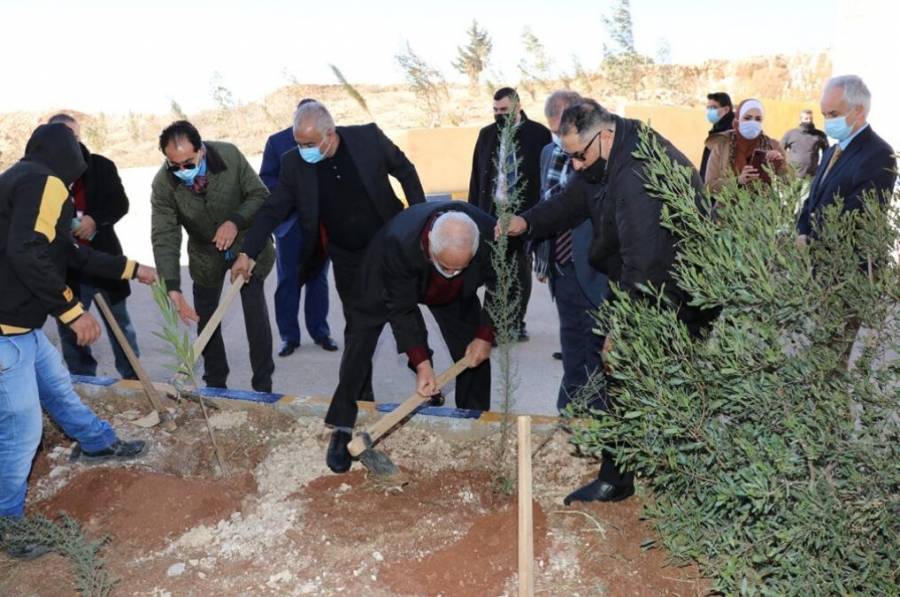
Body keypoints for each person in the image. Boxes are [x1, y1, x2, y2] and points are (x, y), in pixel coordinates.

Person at [505, 100, 717, 502]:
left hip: (679, 290)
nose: (577, 165)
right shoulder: (607, 153)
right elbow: (571, 200)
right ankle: (620, 476)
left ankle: (683, 482)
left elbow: (645, 262)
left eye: (579, 156)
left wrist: (623, 331)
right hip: (652, 277)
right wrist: (527, 222)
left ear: (602, 136)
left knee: (660, 379)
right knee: (626, 382)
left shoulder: (636, 173)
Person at [0, 123, 156, 557]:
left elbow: (68, 253)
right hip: (5, 336)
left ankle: (97, 443)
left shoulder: (20, 179)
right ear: (66, 159)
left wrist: (133, 269)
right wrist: (72, 312)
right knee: (19, 432)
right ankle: (6, 527)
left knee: (58, 389)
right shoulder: (44, 182)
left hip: (20, 330)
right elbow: (26, 250)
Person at [233, 101, 426, 402]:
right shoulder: (294, 163)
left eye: (309, 143)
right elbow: (272, 209)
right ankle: (362, 399)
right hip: (346, 255)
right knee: (358, 327)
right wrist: (248, 251)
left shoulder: (368, 139)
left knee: (404, 313)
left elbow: (405, 170)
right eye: (298, 143)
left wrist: (418, 219)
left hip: (387, 245)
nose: (303, 149)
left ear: (330, 134)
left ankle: (425, 379)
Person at [322, 202, 496, 472]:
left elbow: (508, 283)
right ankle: (342, 424)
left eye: (459, 268)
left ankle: (472, 420)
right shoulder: (397, 242)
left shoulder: (490, 233)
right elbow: (402, 310)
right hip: (388, 279)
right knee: (360, 340)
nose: (451, 273)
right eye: (446, 266)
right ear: (429, 244)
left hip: (452, 294)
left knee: (473, 349)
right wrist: (422, 363)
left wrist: (485, 335)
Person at [150, 120, 275, 392]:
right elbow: (165, 235)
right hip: (205, 254)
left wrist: (234, 220)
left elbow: (260, 195)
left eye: (189, 163)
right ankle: (216, 382)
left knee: (255, 314)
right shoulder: (163, 184)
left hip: (247, 246)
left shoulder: (228, 155)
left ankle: (263, 384)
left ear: (202, 150)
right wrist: (171, 285)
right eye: (176, 165)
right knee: (206, 316)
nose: (183, 170)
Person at [46, 114, 139, 380]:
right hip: (67, 267)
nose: (70, 142)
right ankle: (83, 381)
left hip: (104, 260)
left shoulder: (101, 166)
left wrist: (94, 220)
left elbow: (120, 204)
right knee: (71, 327)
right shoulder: (43, 174)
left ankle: (133, 379)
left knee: (119, 324)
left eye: (73, 136)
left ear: (79, 136)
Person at [533, 90, 609, 413]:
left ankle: (598, 412)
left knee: (596, 343)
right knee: (571, 340)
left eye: (561, 127)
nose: (557, 137)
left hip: (592, 265)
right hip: (562, 264)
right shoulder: (549, 153)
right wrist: (542, 255)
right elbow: (546, 203)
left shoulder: (599, 154)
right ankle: (571, 408)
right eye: (552, 130)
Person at [468, 87, 551, 341]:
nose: (498, 114)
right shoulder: (486, 135)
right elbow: (476, 175)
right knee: (494, 269)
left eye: (503, 110)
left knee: (519, 269)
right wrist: (473, 212)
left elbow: (546, 176)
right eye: (495, 110)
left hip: (524, 212)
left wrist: (539, 216)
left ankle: (515, 323)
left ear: (517, 106)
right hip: (492, 210)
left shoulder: (538, 134)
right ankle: (492, 325)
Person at [260, 99, 338, 357]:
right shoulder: (277, 142)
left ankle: (320, 332)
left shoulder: (326, 141)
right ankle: (289, 337)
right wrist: (292, 198)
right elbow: (267, 180)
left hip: (322, 224)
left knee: (318, 279)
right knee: (288, 280)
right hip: (290, 226)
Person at [798, 75, 896, 241]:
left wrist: (811, 242)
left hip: (844, 261)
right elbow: (812, 201)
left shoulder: (879, 154)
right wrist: (800, 233)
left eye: (834, 114)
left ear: (858, 111)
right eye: (825, 115)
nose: (828, 121)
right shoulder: (832, 151)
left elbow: (858, 215)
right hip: (810, 259)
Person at [703, 98, 788, 193]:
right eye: (747, 118)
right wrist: (738, 181)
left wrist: (779, 164)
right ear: (737, 120)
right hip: (728, 206)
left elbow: (789, 183)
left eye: (758, 119)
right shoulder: (722, 146)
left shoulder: (773, 145)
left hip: (763, 206)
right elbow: (709, 186)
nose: (753, 122)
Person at [781, 109, 830, 177]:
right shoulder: (791, 134)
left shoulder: (819, 135)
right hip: (793, 175)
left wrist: (822, 168)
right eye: (806, 118)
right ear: (800, 120)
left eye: (811, 118)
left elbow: (827, 153)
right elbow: (780, 149)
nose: (809, 121)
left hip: (811, 175)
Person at [699, 92, 734, 181]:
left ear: (726, 109)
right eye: (709, 108)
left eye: (714, 108)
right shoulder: (716, 130)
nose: (710, 111)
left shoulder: (730, 132)